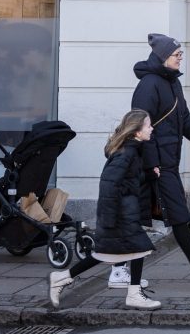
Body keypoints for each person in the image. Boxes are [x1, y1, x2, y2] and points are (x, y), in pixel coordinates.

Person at [128, 33, 190, 290]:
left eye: (180, 54)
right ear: (163, 57)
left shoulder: (172, 83)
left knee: (138, 220)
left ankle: (122, 273)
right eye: (177, 54)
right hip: (157, 164)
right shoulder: (149, 85)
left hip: (167, 161)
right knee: (178, 216)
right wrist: (151, 164)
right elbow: (140, 126)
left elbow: (184, 120)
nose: (180, 58)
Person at [49, 110, 163, 310]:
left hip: (123, 213)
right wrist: (109, 220)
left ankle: (62, 277)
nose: (151, 128)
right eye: (148, 125)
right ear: (136, 131)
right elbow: (109, 185)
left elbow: (127, 182)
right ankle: (134, 294)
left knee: (111, 254)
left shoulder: (132, 151)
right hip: (118, 215)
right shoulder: (126, 153)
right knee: (137, 249)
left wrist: (149, 176)